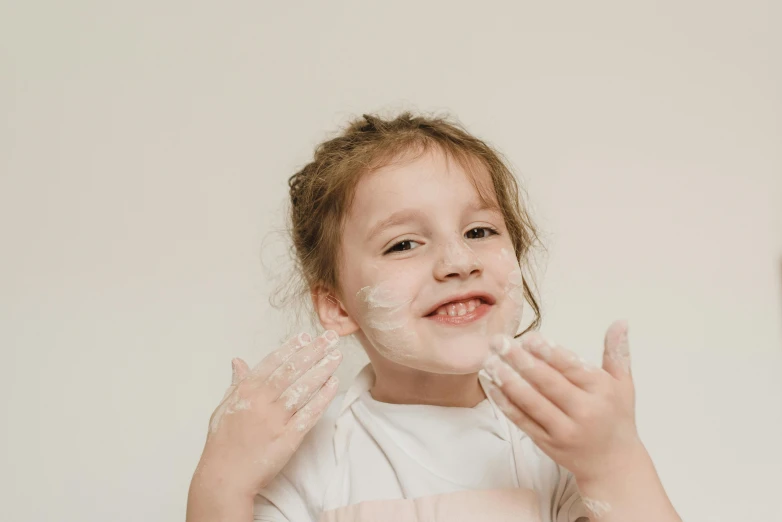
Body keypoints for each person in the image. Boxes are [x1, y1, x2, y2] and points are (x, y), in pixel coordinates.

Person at [186, 112, 682, 522]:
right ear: (337, 306)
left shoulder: (554, 440)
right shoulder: (312, 459)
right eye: (404, 243)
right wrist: (222, 485)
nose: (459, 261)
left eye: (480, 231)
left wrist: (615, 464)